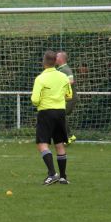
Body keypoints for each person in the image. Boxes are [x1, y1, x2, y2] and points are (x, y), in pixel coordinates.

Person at [30, 50, 73, 185]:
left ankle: (52, 173)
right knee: (59, 144)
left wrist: (41, 101)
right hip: (60, 112)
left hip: (46, 113)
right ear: (55, 62)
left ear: (44, 62)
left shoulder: (40, 78)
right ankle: (63, 177)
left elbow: (35, 100)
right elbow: (69, 96)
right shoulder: (63, 77)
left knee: (42, 144)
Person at [56, 51, 78, 144]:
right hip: (66, 98)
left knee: (60, 115)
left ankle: (69, 136)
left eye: (57, 56)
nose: (55, 58)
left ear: (61, 59)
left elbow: (71, 81)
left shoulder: (65, 69)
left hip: (70, 98)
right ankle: (68, 136)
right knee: (59, 116)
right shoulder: (59, 69)